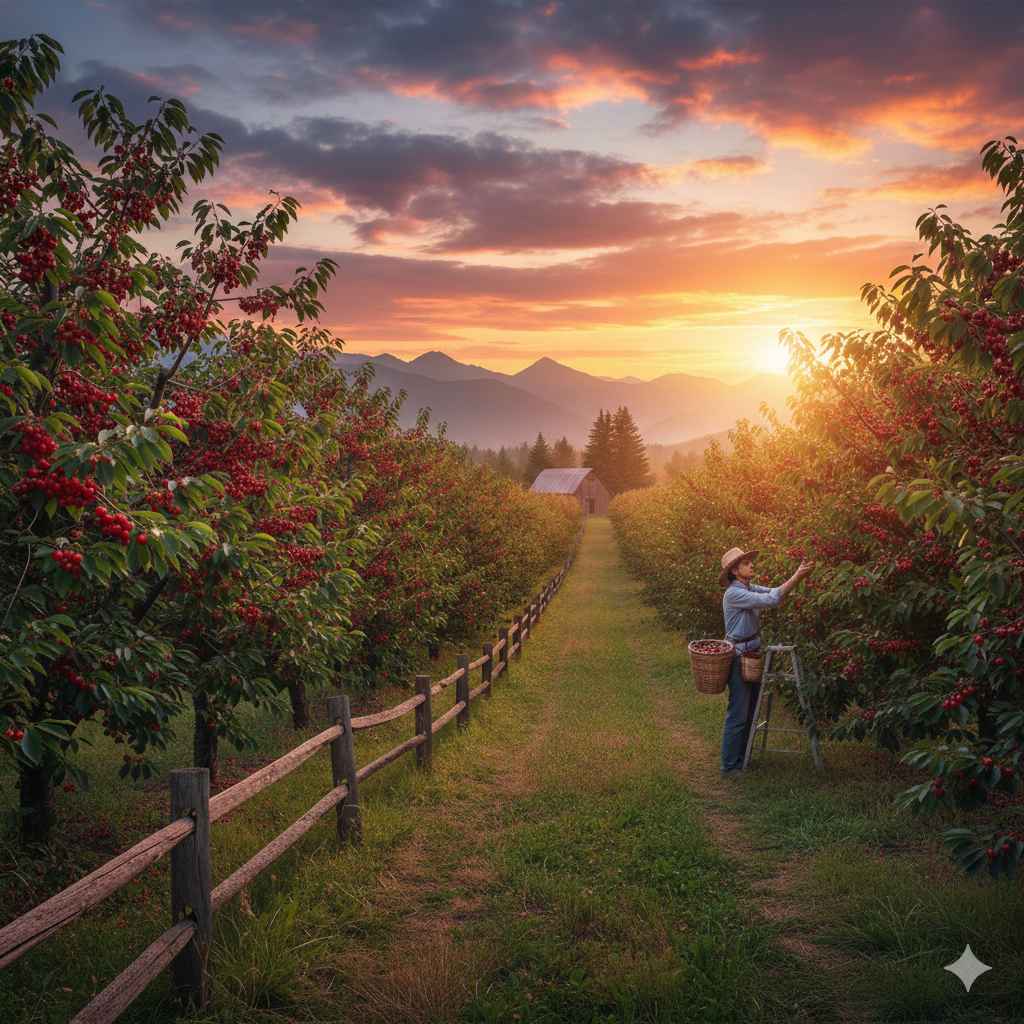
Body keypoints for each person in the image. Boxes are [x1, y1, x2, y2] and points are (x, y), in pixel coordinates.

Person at [718, 546, 814, 776]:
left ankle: (742, 759)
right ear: (735, 570)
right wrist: (798, 575)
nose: (752, 565)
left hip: (752, 655)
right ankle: (730, 766)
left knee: (751, 711)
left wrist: (798, 579)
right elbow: (772, 599)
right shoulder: (734, 593)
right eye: (746, 563)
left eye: (750, 561)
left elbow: (775, 593)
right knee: (738, 712)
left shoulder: (748, 587)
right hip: (739, 658)